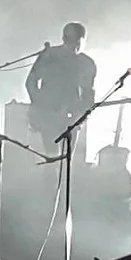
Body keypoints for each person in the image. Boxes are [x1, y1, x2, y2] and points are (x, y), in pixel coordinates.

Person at [26, 22, 96, 159]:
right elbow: (31, 82)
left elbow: (88, 94)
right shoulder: (50, 56)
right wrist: (41, 106)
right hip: (51, 116)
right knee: (56, 159)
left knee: (60, 160)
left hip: (68, 117)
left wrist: (80, 115)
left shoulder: (85, 63)